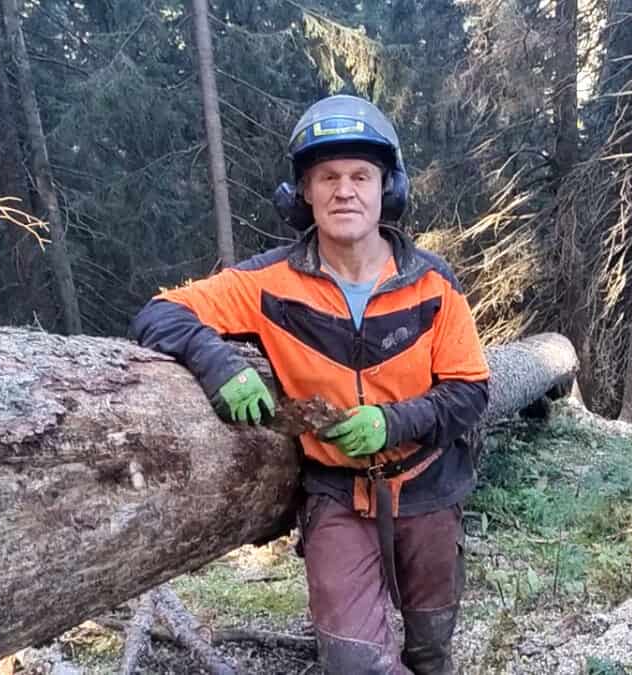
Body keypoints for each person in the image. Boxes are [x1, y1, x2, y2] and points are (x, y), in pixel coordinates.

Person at [129, 94, 489, 674]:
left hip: (427, 486)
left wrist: (392, 422)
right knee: (354, 664)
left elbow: (469, 390)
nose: (344, 190)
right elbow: (160, 313)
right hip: (336, 492)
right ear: (303, 192)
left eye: (360, 176)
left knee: (430, 648)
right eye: (327, 177)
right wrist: (218, 363)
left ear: (387, 188)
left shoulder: (432, 284)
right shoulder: (269, 282)